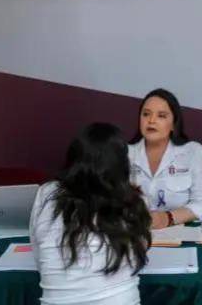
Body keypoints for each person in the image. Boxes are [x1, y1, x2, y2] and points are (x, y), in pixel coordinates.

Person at [29, 123, 151, 305]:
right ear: (122, 164)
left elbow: (40, 259)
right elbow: (136, 262)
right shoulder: (134, 202)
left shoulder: (47, 193)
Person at [128, 88, 202, 229]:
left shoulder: (194, 153)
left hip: (181, 230)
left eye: (161, 116)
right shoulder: (123, 154)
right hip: (134, 233)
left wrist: (167, 218)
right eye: (146, 114)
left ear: (174, 124)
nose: (151, 121)